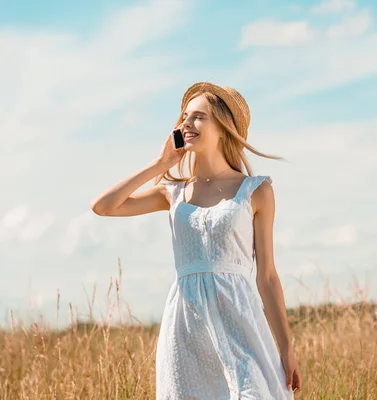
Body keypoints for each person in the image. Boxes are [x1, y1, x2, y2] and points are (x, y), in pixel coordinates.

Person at [90, 81, 301, 399]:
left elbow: (267, 276)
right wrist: (160, 165)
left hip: (240, 322)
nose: (187, 124)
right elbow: (103, 207)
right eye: (184, 117)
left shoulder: (256, 191)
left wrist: (286, 348)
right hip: (186, 328)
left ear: (223, 127)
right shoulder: (173, 192)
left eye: (198, 117)